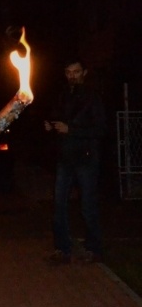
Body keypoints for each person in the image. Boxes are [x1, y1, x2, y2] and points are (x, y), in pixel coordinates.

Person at [44, 57, 106, 264]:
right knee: (59, 204)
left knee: (87, 204)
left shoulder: (93, 96)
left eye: (76, 72)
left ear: (84, 73)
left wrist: (72, 130)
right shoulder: (63, 95)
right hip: (65, 157)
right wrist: (50, 126)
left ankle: (93, 249)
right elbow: (56, 118)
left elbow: (100, 129)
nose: (72, 76)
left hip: (85, 157)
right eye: (69, 72)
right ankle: (62, 249)